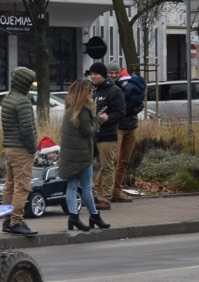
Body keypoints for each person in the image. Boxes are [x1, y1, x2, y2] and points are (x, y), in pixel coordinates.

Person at [59, 79, 110, 231]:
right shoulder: (84, 109)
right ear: (86, 93)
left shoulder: (71, 108)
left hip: (69, 154)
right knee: (87, 187)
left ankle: (73, 217)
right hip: (81, 154)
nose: (93, 92)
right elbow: (87, 131)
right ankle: (94, 215)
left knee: (72, 187)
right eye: (91, 90)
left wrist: (95, 120)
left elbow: (83, 127)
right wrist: (100, 120)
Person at [0, 66, 38, 236]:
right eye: (30, 83)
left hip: (9, 148)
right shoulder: (22, 101)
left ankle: (7, 220)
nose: (31, 86)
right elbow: (27, 129)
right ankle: (16, 221)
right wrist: (32, 148)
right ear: (25, 83)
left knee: (10, 185)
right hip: (21, 149)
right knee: (22, 186)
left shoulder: (8, 98)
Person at [86, 62, 125, 210]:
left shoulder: (114, 91)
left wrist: (108, 118)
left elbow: (121, 112)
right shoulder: (91, 90)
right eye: (91, 74)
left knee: (107, 166)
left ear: (103, 75)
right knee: (87, 166)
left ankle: (106, 198)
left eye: (96, 74)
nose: (93, 76)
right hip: (90, 134)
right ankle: (90, 195)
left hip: (106, 135)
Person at [113, 67, 145, 202]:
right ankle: (100, 191)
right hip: (118, 128)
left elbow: (140, 104)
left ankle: (116, 191)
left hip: (131, 126)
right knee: (112, 160)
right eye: (111, 73)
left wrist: (128, 110)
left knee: (124, 162)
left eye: (116, 73)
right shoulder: (110, 88)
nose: (113, 75)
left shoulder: (129, 85)